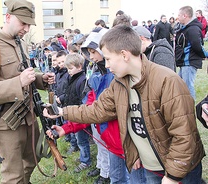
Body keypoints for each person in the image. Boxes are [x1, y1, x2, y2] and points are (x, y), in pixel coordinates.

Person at [44, 25, 205, 184]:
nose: (106, 65)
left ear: (124, 55)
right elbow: (97, 111)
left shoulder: (167, 81)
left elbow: (184, 135)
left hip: (178, 171)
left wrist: (173, 176)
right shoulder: (119, 83)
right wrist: (62, 112)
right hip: (150, 168)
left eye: (108, 59)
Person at [0, 0, 55, 183]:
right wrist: (19, 82)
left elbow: (25, 74)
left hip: (29, 116)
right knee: (13, 175)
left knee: (34, 159)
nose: (26, 29)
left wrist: (42, 79)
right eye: (23, 23)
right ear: (8, 17)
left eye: (29, 24)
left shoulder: (21, 43)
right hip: (7, 123)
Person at [175, 6, 207, 100]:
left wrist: (205, 55)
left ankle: (190, 110)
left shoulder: (192, 29)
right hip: (184, 63)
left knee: (188, 87)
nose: (178, 17)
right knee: (179, 84)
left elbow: (197, 46)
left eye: (179, 15)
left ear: (185, 16)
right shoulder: (186, 28)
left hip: (189, 62)